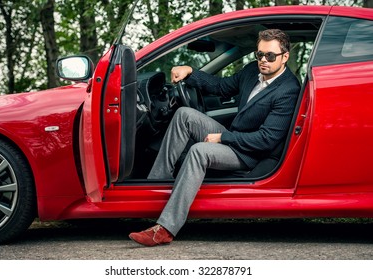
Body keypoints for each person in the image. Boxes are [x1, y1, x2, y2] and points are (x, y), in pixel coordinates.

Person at [129, 29, 301, 246]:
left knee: (199, 151)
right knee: (184, 115)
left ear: (285, 56)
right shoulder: (252, 71)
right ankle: (152, 189)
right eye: (260, 55)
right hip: (236, 137)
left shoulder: (288, 90)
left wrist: (223, 138)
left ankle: (165, 229)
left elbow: (266, 140)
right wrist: (190, 72)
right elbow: (221, 87)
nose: (263, 60)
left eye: (270, 56)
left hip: (250, 154)